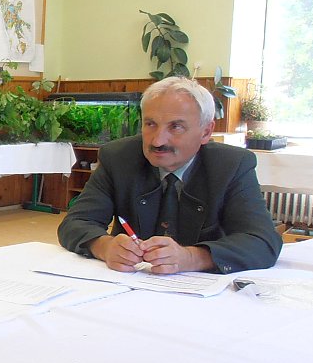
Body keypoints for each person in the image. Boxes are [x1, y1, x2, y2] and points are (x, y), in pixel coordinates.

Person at [57, 76, 282, 275]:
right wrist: (104, 246)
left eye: (175, 127)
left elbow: (262, 242)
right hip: (129, 285)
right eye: (150, 124)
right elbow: (75, 222)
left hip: (205, 293)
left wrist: (192, 258)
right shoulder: (118, 158)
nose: (157, 141)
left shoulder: (232, 165)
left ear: (206, 132)